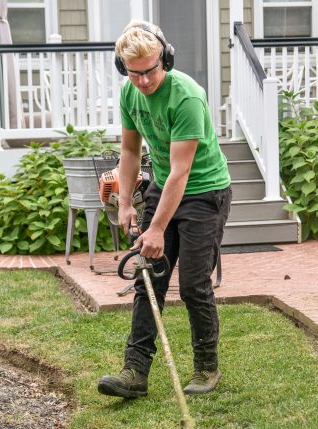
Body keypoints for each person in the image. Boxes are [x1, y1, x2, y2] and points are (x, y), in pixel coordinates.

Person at [97, 21, 231, 399]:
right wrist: (124, 202)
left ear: (165, 59)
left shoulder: (186, 96)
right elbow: (129, 151)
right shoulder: (130, 92)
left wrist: (155, 230)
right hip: (163, 186)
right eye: (133, 73)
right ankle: (134, 373)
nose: (142, 81)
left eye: (150, 71)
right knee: (147, 278)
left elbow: (181, 171)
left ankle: (206, 368)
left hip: (204, 192)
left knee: (192, 284)